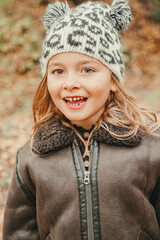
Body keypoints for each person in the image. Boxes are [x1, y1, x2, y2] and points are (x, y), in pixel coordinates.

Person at [2, 0, 160, 239]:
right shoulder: (32, 157)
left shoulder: (150, 148)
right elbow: (20, 232)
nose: (70, 83)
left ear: (114, 80)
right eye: (58, 71)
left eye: (87, 70)